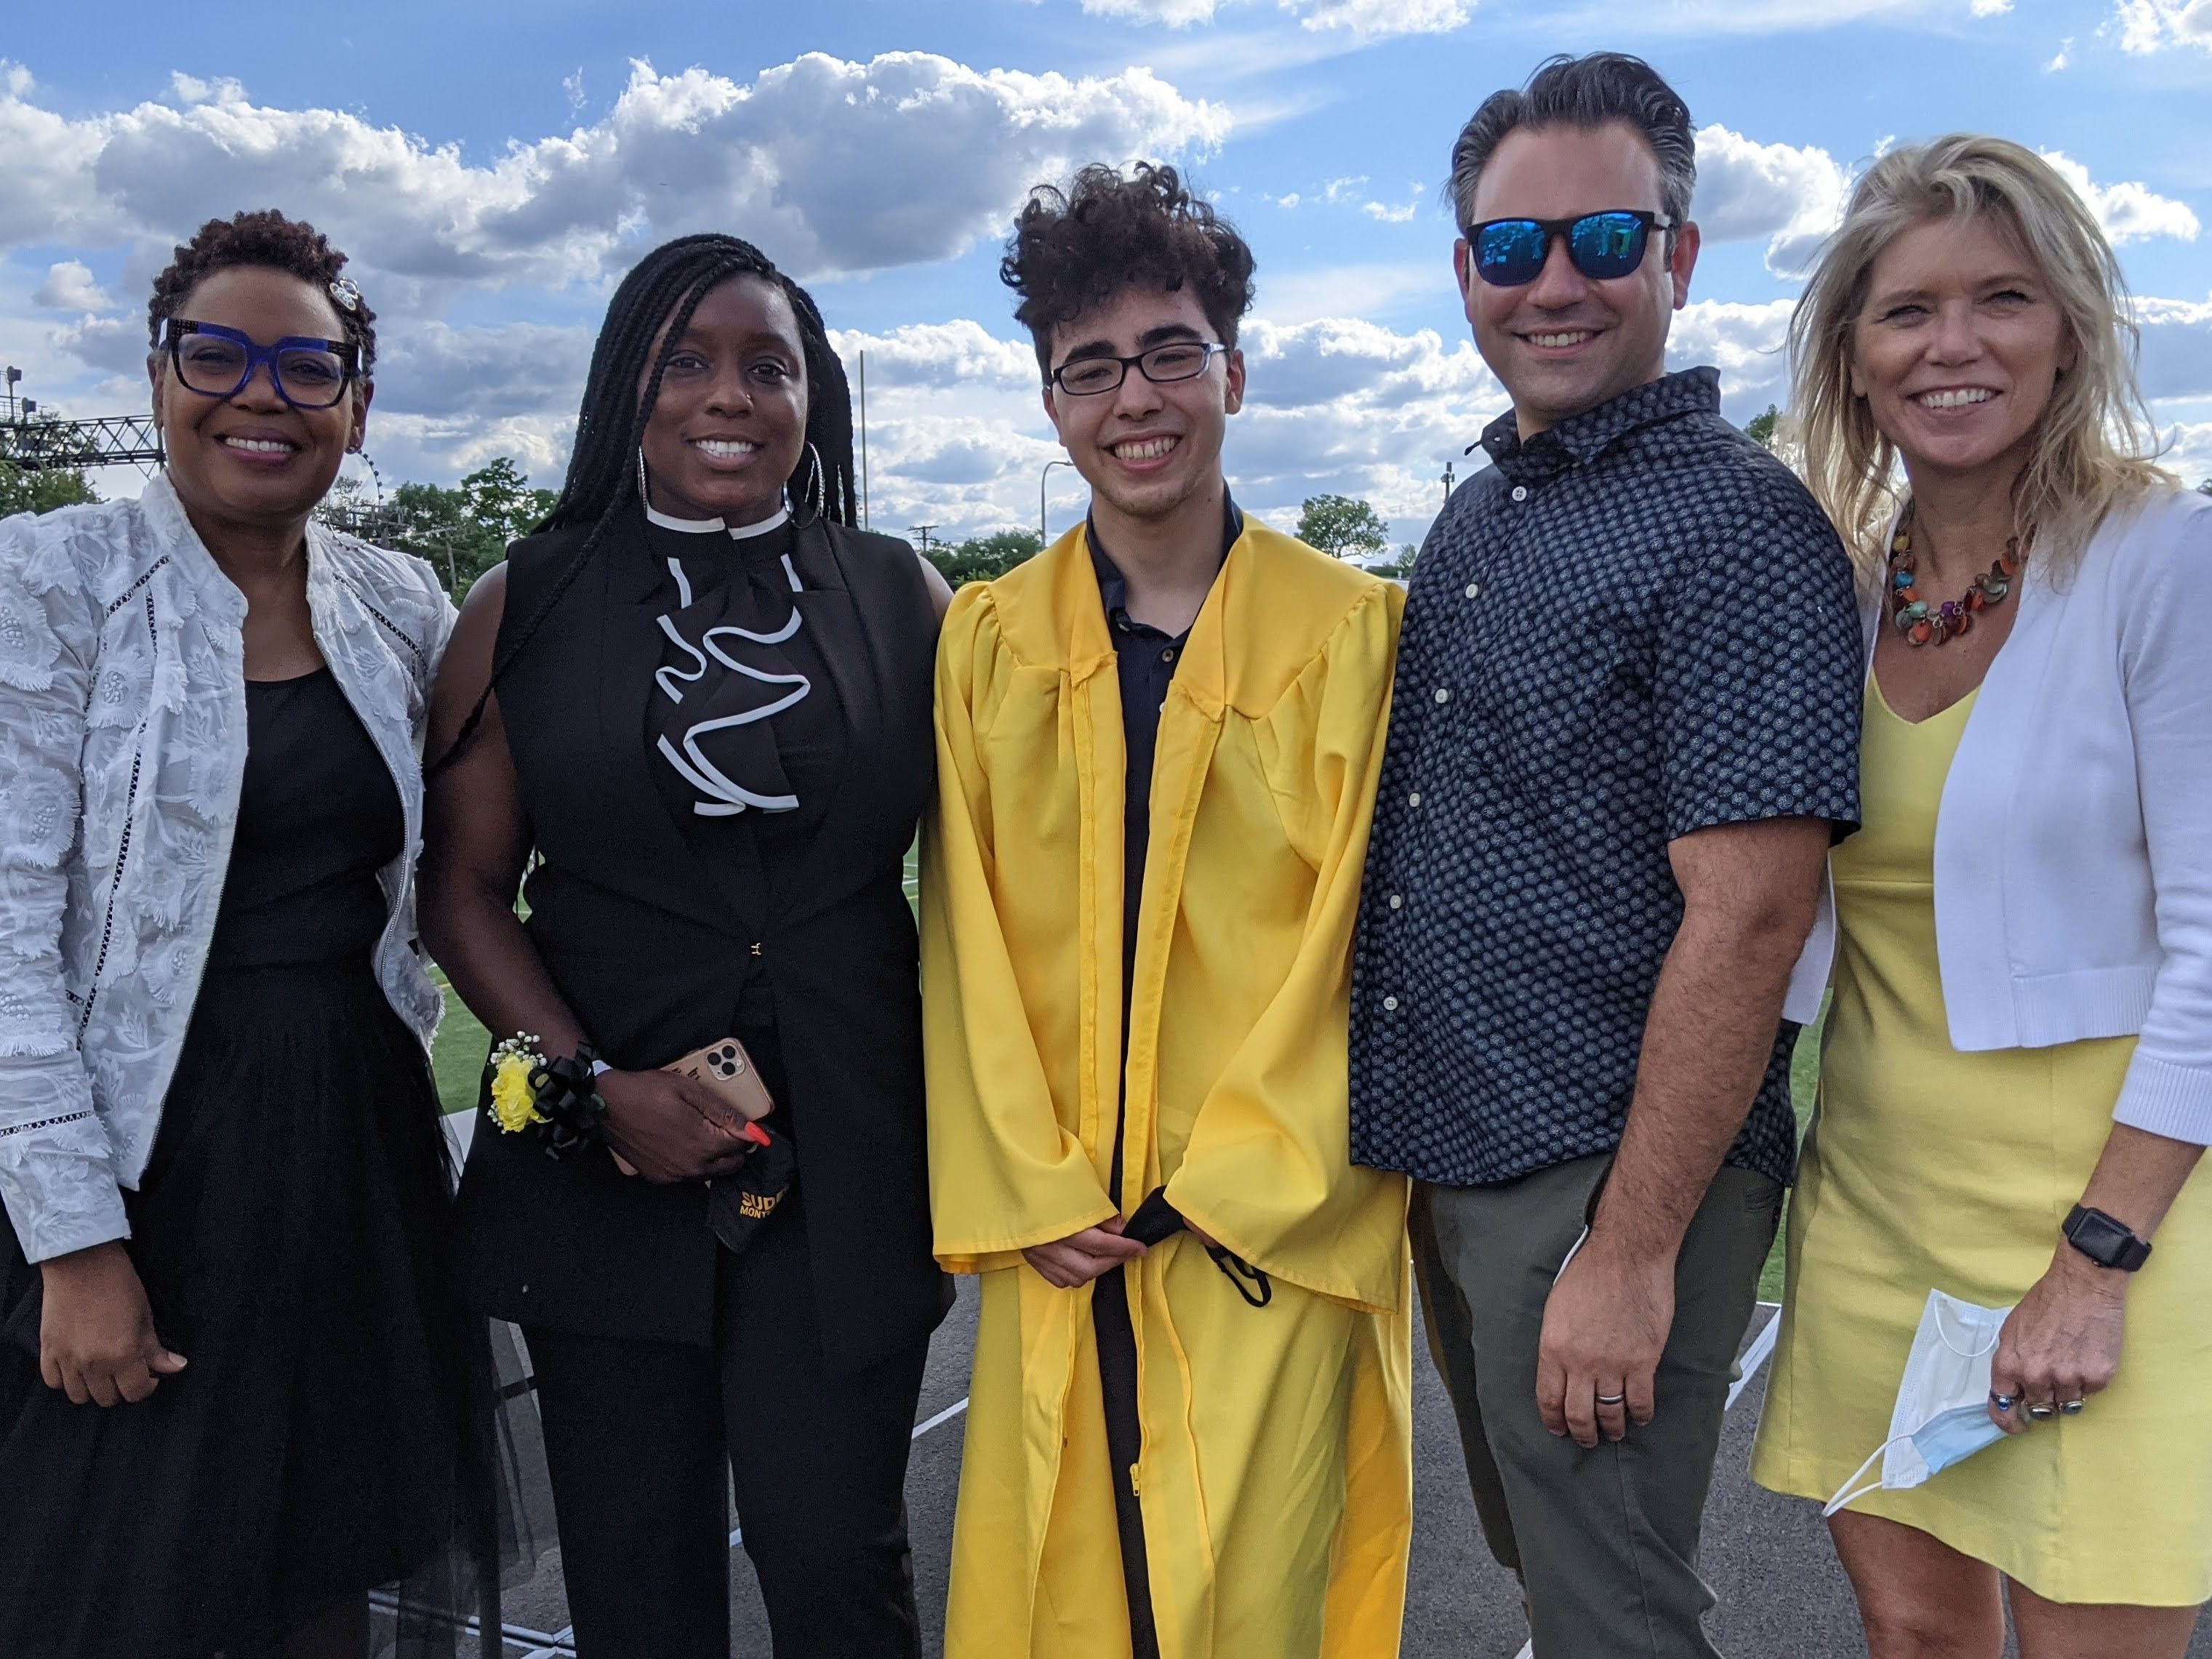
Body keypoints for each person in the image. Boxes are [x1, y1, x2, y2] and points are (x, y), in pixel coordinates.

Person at [1348, 53, 1866, 1658]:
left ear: (1679, 257)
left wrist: (1630, 1254)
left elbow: (1754, 913)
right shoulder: (1482, 515)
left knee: (1613, 1617)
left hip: (1601, 1173)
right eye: (1514, 247)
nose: (1555, 283)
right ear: (1465, 271)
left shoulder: (1737, 526)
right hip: (1463, 1156)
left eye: (1605, 239)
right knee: (1560, 1583)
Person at [421, 232, 954, 1659]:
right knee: (635, 1587)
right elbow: (460, 887)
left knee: (839, 1566)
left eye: (769, 366)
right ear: (625, 389)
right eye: (687, 361)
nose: (730, 394)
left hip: (846, 1166)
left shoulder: (901, 594)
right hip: (596, 1178)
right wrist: (592, 1086)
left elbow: (1006, 868)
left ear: (813, 400)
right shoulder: (523, 602)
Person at [923, 161, 1413, 1659]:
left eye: (1168, 353)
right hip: (1062, 1227)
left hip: (1267, 1230)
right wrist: (1028, 1181)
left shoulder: (1355, 635)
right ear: (1050, 403)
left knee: (1256, 1599)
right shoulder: (988, 642)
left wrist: (1238, 1179)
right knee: (1065, 1588)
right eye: (1091, 366)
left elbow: (1365, 946)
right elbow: (963, 937)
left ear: (1233, 375)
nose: (1133, 397)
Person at [0, 211, 489, 1658]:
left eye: (306, 366)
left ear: (358, 405)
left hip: (351, 1147)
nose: (260, 396)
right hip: (145, 1165)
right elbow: (9, 936)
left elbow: (487, 845)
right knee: (114, 1569)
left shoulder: (399, 601)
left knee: (317, 1573)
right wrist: (76, 1245)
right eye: (217, 355)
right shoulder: (50, 581)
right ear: (159, 375)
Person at [1750, 134, 2212, 1659]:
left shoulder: (2162, 559)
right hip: (1875, 1201)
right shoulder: (1836, 588)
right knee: (1916, 1635)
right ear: (1853, 353)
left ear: (2069, 328)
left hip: (2115, 1222)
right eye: (1907, 310)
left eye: (2001, 298)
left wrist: (2096, 1261)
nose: (1952, 344)